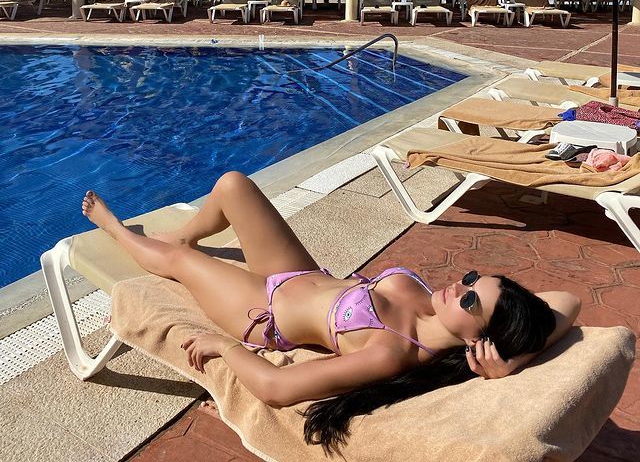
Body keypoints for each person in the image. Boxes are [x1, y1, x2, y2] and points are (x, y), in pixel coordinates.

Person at [82, 174, 579, 454]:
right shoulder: (437, 306)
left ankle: (116, 230)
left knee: (179, 261)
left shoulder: (392, 352)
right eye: (471, 279)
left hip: (265, 311)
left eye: (471, 300)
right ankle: (187, 231)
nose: (460, 287)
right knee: (234, 186)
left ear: (477, 339)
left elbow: (277, 389)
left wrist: (228, 347)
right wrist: (518, 354)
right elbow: (567, 301)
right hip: (301, 273)